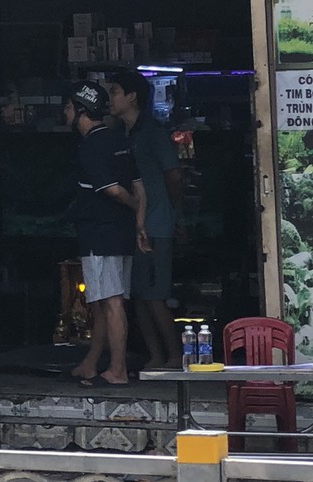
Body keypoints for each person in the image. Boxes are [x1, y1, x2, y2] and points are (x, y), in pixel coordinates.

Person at [63, 82, 148, 387]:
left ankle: (118, 370)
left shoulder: (91, 146)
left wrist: (131, 204)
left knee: (111, 302)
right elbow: (139, 184)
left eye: (70, 108)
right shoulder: (119, 140)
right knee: (103, 301)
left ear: (81, 112)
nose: (66, 112)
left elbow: (114, 190)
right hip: (122, 232)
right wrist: (139, 223)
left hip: (101, 235)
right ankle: (90, 363)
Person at [107, 68, 185, 372]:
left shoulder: (152, 132)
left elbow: (174, 176)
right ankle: (155, 356)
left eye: (115, 91)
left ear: (132, 96)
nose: (110, 98)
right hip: (136, 225)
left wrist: (172, 212)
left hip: (156, 224)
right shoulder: (127, 133)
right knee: (139, 296)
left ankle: (175, 355)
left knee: (155, 296)